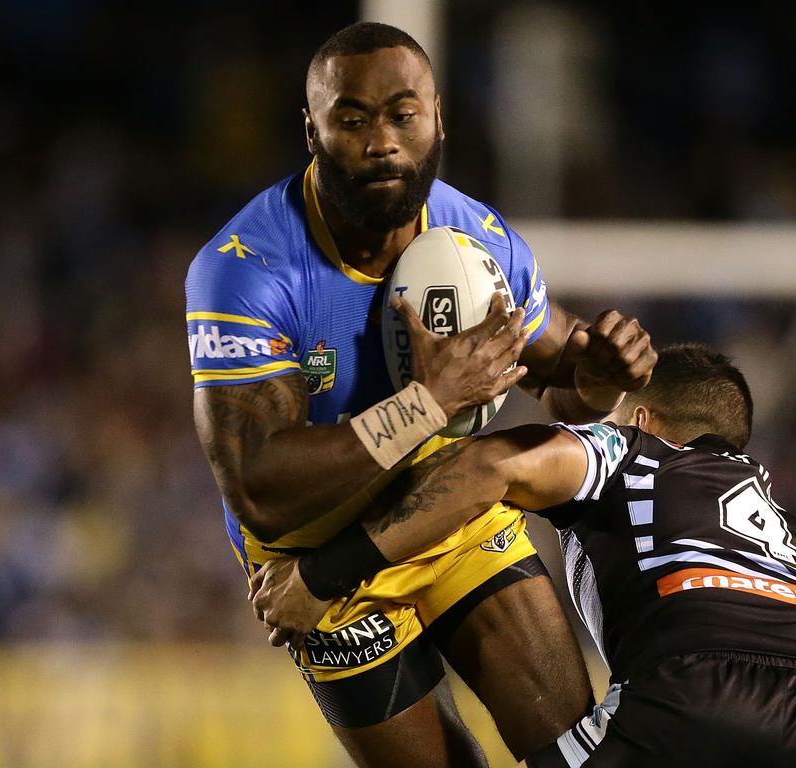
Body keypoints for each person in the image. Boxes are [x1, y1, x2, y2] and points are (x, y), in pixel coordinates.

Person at [185, 21, 656, 767]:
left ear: (439, 120)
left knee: (580, 758)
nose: (382, 142)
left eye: (403, 114)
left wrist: (598, 377)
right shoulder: (245, 269)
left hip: (443, 512)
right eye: (352, 119)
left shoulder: (479, 237)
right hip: (313, 561)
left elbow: (562, 383)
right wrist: (426, 407)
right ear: (310, 131)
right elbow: (260, 488)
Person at [251, 343, 796, 767]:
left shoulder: (632, 453)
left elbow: (491, 470)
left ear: (647, 419)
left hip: (691, 694)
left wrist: (328, 572)